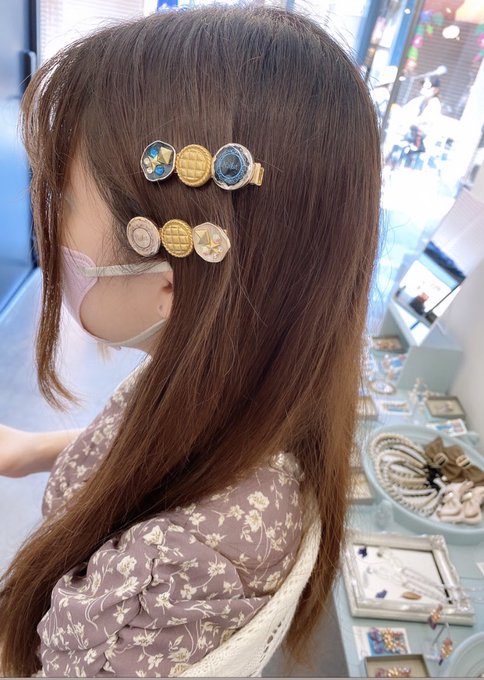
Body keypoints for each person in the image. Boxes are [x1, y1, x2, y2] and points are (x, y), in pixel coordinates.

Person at [0, 5, 381, 677]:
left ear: (167, 281)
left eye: (65, 201)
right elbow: (164, 447)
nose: (50, 227)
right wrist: (36, 451)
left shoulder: (177, 568)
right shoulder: (244, 389)